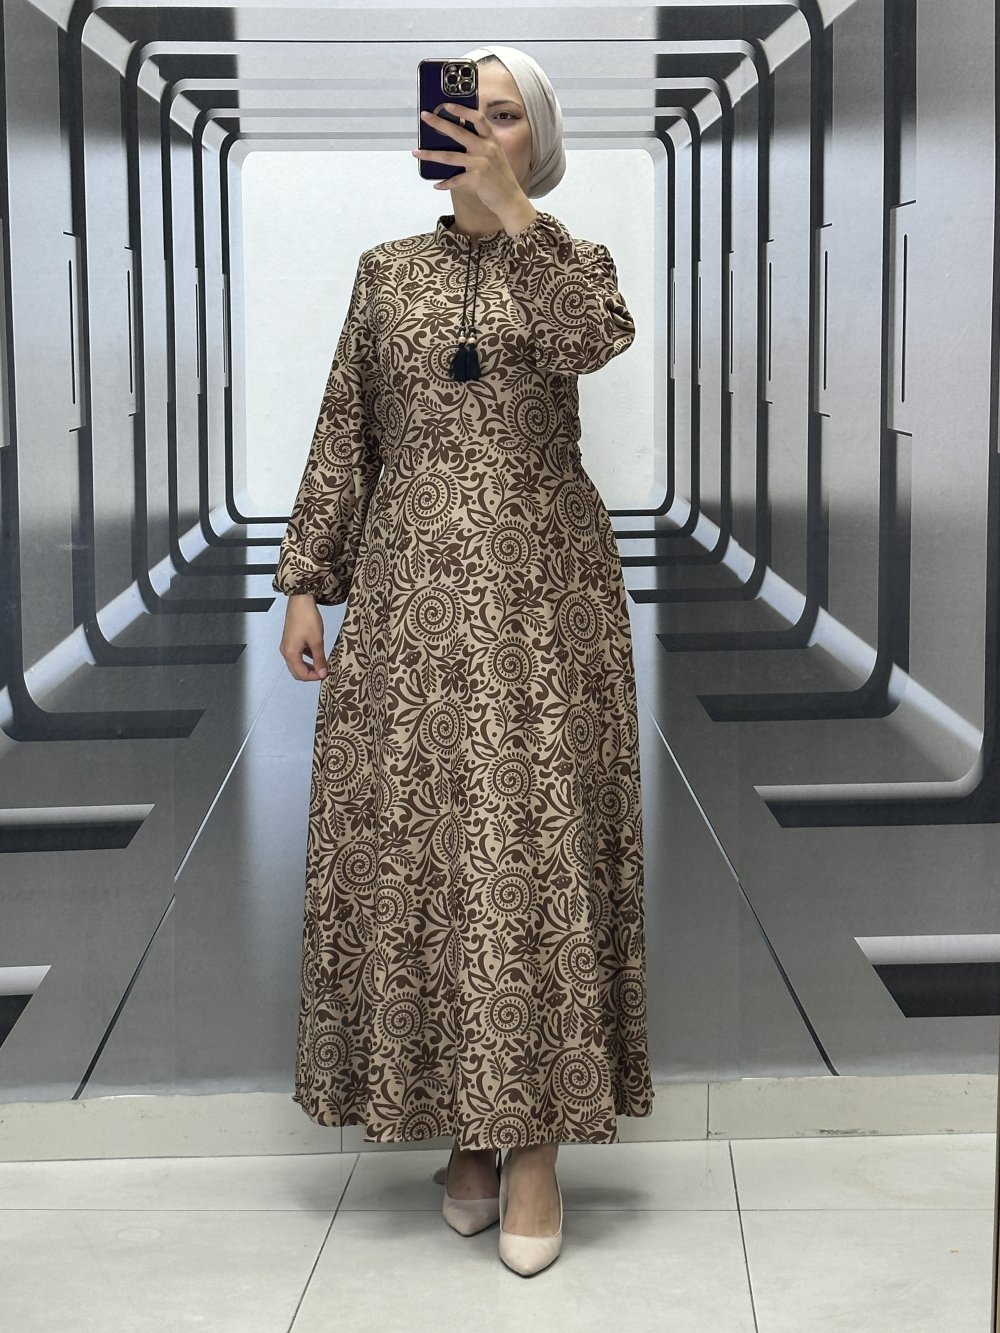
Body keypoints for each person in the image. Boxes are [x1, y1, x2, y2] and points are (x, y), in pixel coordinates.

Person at [274, 44, 654, 1277]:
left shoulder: (572, 262)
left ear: (536, 137)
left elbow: (596, 339)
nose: (483, 131)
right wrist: (306, 581)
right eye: (465, 111)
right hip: (409, 601)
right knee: (430, 852)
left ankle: (534, 1144)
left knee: (533, 853)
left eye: (506, 116)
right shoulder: (385, 273)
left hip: (546, 599)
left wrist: (514, 214)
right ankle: (466, 1131)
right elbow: (348, 427)